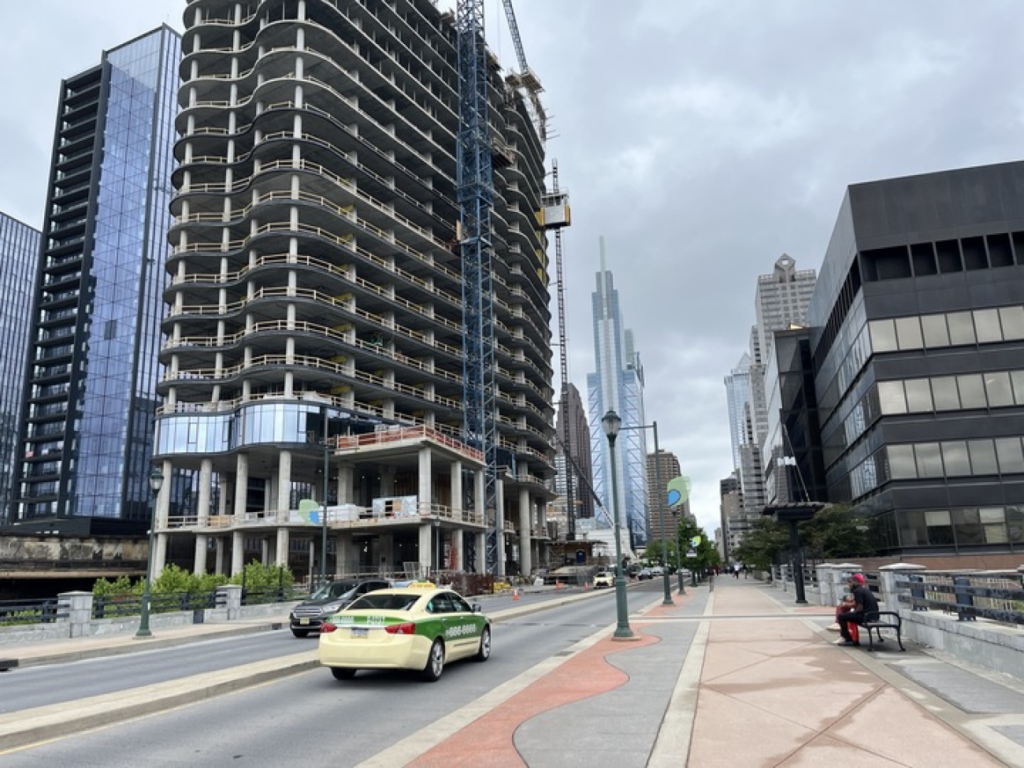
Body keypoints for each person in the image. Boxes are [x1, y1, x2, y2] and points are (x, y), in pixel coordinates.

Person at [836, 573, 879, 647]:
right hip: (874, 616)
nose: (849, 585)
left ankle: (849, 639)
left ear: (855, 583)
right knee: (847, 616)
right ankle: (851, 638)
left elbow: (860, 608)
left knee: (841, 617)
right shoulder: (863, 590)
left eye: (850, 582)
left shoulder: (857, 591)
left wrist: (852, 613)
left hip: (866, 617)